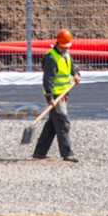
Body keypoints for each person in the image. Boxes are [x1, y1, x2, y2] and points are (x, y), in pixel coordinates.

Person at [33, 29, 80, 162]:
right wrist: (50, 97)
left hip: (64, 94)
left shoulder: (66, 54)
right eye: (64, 46)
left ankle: (39, 152)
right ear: (58, 43)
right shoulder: (51, 57)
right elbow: (47, 79)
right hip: (55, 95)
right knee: (63, 123)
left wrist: (76, 74)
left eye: (67, 47)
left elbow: (71, 66)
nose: (66, 49)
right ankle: (67, 153)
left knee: (53, 124)